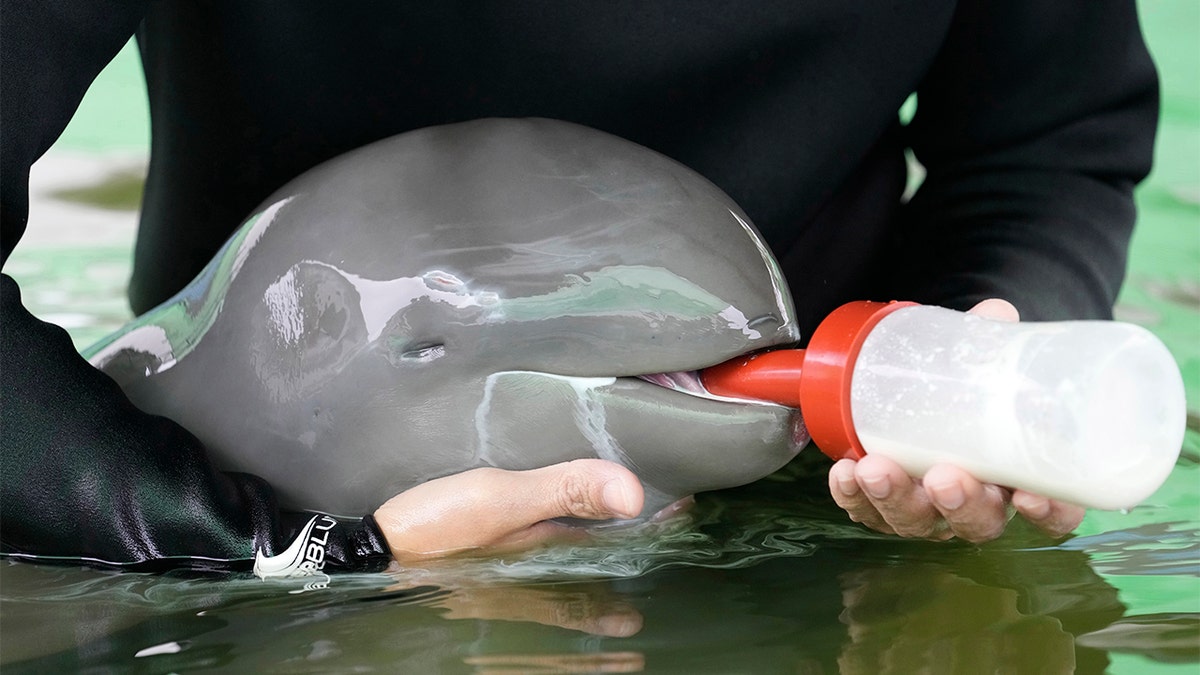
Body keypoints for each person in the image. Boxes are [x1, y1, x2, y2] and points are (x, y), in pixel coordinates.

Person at [0, 2, 1159, 574]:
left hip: (822, 484)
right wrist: (294, 554)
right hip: (212, 485)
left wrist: (963, 370)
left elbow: (1045, 139)